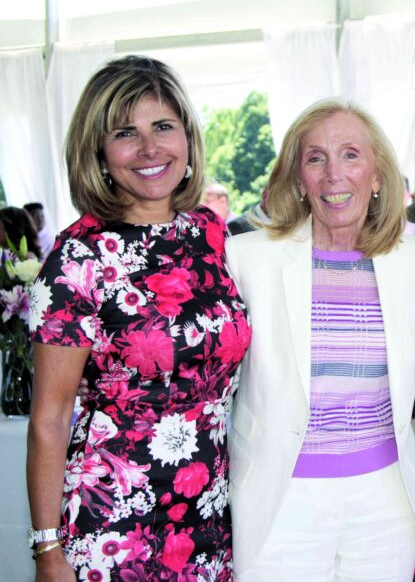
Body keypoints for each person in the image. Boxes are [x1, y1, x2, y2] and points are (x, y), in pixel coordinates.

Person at [27, 55, 250, 581]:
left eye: (164, 127)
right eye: (126, 132)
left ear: (189, 139)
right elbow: (50, 417)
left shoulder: (211, 235)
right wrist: (46, 551)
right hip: (112, 523)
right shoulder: (78, 258)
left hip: (210, 516)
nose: (150, 149)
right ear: (99, 153)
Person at [226, 99, 415, 581]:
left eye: (350, 155)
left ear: (379, 175)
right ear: (298, 179)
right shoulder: (246, 259)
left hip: (384, 499)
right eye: (315, 158)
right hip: (281, 499)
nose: (332, 175)